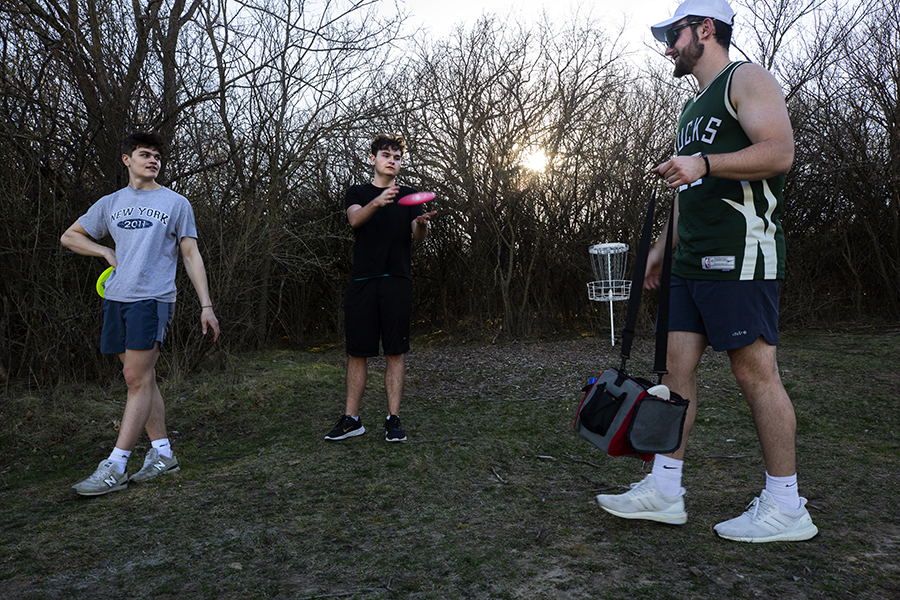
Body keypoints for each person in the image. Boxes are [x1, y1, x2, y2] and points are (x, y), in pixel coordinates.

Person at [595, 0, 818, 542]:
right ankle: (665, 489)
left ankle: (787, 504)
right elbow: (686, 189)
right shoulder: (692, 108)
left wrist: (706, 162)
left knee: (754, 373)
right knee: (675, 373)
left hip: (742, 253)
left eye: (674, 34)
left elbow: (780, 151)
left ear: (705, 29)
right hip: (689, 262)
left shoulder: (747, 78)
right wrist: (660, 249)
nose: (667, 46)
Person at [61, 132, 220, 496]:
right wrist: (103, 252)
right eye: (145, 154)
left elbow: (191, 255)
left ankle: (116, 465)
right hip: (116, 298)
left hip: (153, 298)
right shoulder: (110, 203)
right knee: (142, 379)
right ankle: (163, 454)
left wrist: (206, 306)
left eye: (157, 157)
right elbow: (70, 236)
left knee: (135, 377)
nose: (153, 161)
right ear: (126, 160)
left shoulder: (176, 203)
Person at [324, 135, 436, 443]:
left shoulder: (410, 195)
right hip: (363, 282)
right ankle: (352, 419)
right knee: (357, 353)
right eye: (386, 155)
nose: (392, 160)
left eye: (397, 157)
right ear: (373, 158)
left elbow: (418, 236)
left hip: (397, 282)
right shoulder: (357, 192)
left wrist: (423, 223)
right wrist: (378, 200)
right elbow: (354, 220)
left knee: (395, 352)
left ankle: (393, 419)